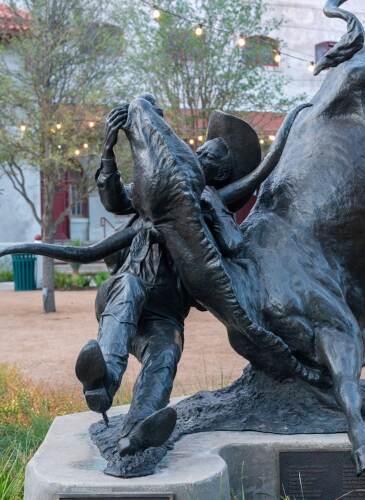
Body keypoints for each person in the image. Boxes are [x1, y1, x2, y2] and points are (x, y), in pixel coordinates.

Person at [75, 94, 262, 456]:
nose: (199, 156)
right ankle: (103, 381)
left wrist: (210, 207)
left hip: (165, 315)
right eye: (199, 150)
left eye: (209, 157)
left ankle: (138, 433)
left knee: (166, 351)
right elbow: (115, 200)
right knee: (130, 287)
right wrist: (108, 151)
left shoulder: (211, 205)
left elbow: (234, 244)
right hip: (123, 294)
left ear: (221, 173)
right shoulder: (156, 190)